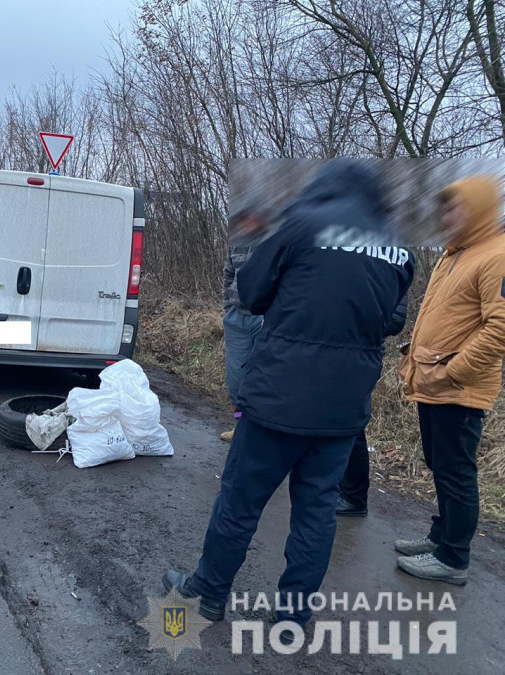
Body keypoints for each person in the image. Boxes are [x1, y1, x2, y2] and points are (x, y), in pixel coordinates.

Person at [161, 160, 414, 633]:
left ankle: (208, 593)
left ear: (324, 186)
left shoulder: (300, 224)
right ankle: (294, 613)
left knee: (241, 499)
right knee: (317, 511)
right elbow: (394, 320)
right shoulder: (396, 247)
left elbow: (250, 292)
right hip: (343, 406)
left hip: (279, 395)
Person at [395, 175, 505, 585]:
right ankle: (440, 538)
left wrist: (452, 371)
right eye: (443, 210)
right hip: (434, 383)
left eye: (454, 208)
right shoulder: (455, 254)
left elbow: (500, 328)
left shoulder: (497, 255)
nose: (445, 217)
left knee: (456, 472)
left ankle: (453, 558)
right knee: (441, 466)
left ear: (476, 210)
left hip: (459, 388)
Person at [336, 292, 409, 517]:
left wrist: (351, 322)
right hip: (334, 350)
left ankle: (354, 498)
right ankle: (339, 488)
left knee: (352, 425)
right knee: (335, 421)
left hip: (362, 354)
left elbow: (395, 319)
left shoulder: (391, 269)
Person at [220, 199, 268, 442]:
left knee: (262, 377)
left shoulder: (276, 241)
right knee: (236, 380)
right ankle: (240, 426)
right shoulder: (237, 241)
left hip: (266, 318)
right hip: (237, 318)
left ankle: (262, 431)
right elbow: (229, 273)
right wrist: (228, 306)